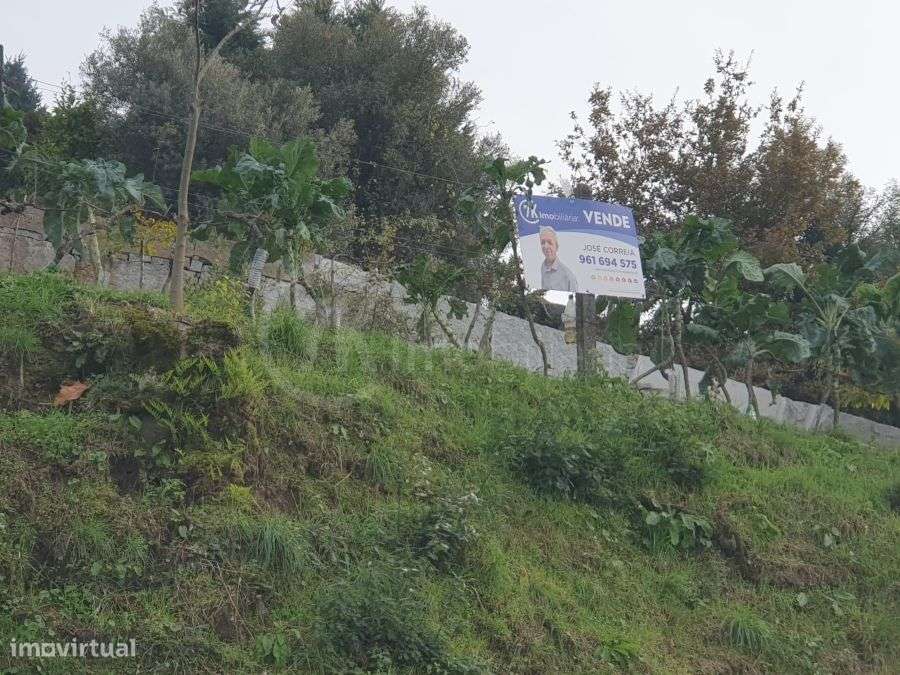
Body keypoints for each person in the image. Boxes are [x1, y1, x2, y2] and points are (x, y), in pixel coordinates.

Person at [539, 226, 578, 292]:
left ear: (556, 246)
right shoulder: (543, 266)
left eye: (550, 242)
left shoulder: (568, 276)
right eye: (543, 242)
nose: (546, 246)